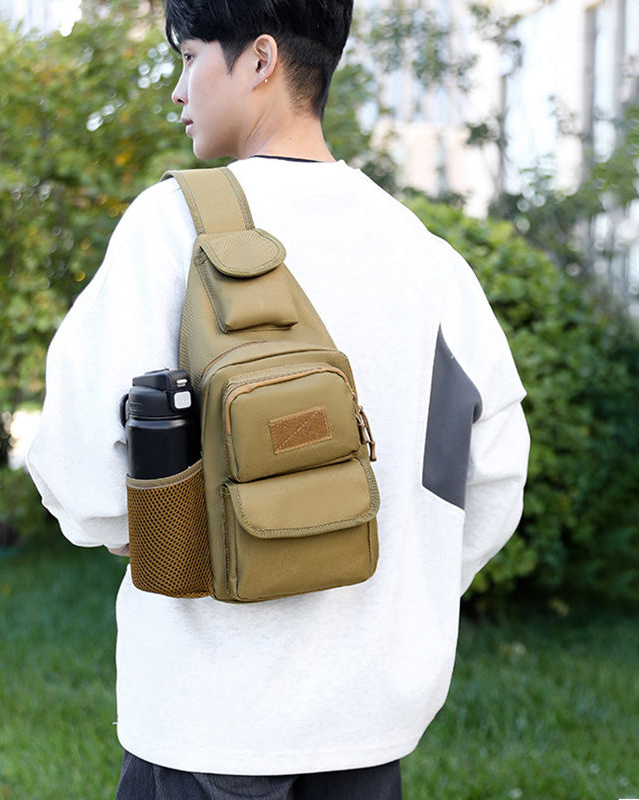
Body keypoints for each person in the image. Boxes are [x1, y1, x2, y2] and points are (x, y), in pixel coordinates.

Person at [27, 0, 530, 797]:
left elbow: (82, 477)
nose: (178, 89)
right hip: (369, 721)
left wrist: (159, 535)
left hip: (207, 718)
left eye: (189, 56)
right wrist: (398, 588)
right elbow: (492, 474)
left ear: (260, 59)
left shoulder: (173, 225)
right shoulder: (424, 253)